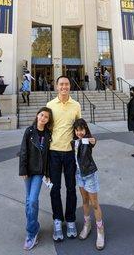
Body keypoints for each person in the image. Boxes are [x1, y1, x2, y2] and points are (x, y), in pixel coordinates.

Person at [47, 76, 81, 241]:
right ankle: (58, 220)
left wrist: (89, 141)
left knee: (71, 188)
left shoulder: (76, 105)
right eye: (61, 84)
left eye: (66, 84)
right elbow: (45, 129)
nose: (64, 87)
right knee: (55, 189)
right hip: (53, 152)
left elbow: (79, 128)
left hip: (69, 153)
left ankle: (71, 219)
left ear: (70, 87)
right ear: (56, 86)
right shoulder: (50, 105)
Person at [19, 107, 53, 251]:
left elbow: (49, 156)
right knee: (29, 201)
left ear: (48, 120)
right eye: (41, 115)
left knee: (32, 200)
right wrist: (22, 170)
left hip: (39, 172)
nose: (43, 118)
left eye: (46, 117)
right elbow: (23, 151)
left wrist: (48, 173)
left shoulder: (48, 134)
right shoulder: (29, 131)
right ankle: (34, 228)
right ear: (37, 116)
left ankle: (31, 233)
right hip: (28, 171)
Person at [72, 118, 105, 250]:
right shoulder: (73, 142)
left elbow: (92, 142)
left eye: (82, 130)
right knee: (85, 201)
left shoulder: (88, 140)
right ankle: (87, 224)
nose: (79, 132)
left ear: (85, 130)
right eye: (77, 130)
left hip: (90, 175)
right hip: (79, 175)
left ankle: (100, 230)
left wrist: (93, 140)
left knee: (94, 203)